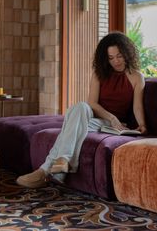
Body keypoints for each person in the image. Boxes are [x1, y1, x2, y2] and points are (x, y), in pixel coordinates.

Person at [16, 31, 147, 188]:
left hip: (115, 126)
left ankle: (45, 170)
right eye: (111, 58)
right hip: (96, 118)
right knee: (80, 107)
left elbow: (137, 106)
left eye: (119, 56)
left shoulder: (137, 77)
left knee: (71, 125)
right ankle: (61, 164)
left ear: (127, 53)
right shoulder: (99, 74)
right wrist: (110, 116)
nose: (116, 61)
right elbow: (92, 103)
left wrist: (142, 124)